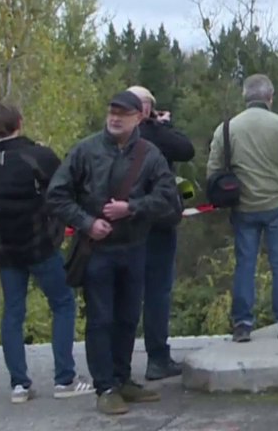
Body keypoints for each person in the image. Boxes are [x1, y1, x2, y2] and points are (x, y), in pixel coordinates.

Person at [45, 91, 183, 415]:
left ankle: (123, 380)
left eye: (123, 113)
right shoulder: (85, 150)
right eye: (112, 112)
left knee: (127, 318)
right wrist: (87, 223)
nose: (115, 118)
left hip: (135, 248)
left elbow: (168, 199)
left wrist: (131, 208)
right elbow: (56, 195)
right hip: (97, 251)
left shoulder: (150, 155)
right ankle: (105, 386)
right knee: (100, 319)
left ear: (139, 117)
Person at [0, 103, 94, 403]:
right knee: (63, 304)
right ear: (20, 123)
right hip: (40, 244)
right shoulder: (38, 156)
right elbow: (64, 189)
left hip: (4, 247)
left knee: (13, 313)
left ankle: (19, 385)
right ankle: (64, 379)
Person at [207, 74, 278, 342]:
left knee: (244, 264)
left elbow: (213, 170)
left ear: (245, 97)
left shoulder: (226, 129)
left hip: (243, 207)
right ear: (270, 97)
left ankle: (242, 324)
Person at [126, 85, 195, 381]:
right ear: (147, 109)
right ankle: (157, 357)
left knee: (125, 293)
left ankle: (120, 364)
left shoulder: (108, 139)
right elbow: (186, 149)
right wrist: (163, 124)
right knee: (157, 292)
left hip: (123, 222)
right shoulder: (155, 133)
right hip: (157, 221)